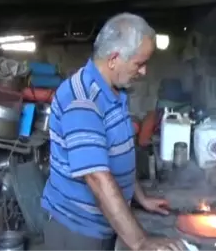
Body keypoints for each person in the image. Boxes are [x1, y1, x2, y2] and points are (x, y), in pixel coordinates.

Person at [41, 13, 186, 251]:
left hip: (105, 222)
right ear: (114, 59)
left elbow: (119, 156)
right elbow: (97, 178)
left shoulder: (115, 92)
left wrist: (140, 198)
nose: (143, 72)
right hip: (78, 229)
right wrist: (141, 242)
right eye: (139, 64)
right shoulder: (83, 101)